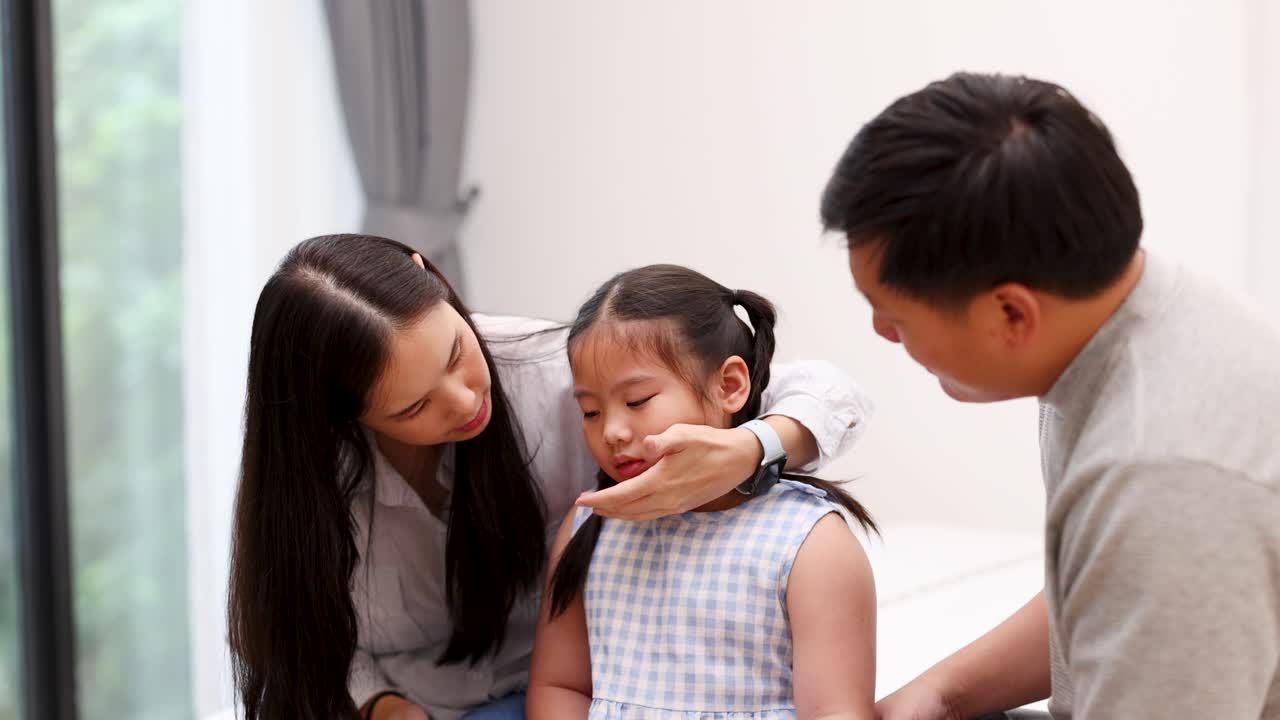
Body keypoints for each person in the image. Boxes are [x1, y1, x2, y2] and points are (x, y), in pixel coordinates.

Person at [227, 234, 875, 720]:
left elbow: (815, 389)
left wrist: (751, 447)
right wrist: (385, 707)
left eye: (457, 353)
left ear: (429, 276)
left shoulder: (561, 371)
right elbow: (303, 640)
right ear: (345, 418)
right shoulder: (315, 487)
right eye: (414, 406)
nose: (464, 400)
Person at [819, 72, 1280, 718]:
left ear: (1011, 314)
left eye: (894, 317)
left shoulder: (1160, 475)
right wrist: (942, 694)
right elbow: (1110, 593)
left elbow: (1147, 558)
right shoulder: (1133, 310)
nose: (881, 333)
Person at [527, 264, 877, 720]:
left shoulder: (809, 541)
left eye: (637, 401)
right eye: (591, 411)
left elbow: (836, 712)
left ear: (729, 386)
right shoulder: (588, 528)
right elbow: (560, 685)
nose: (611, 431)